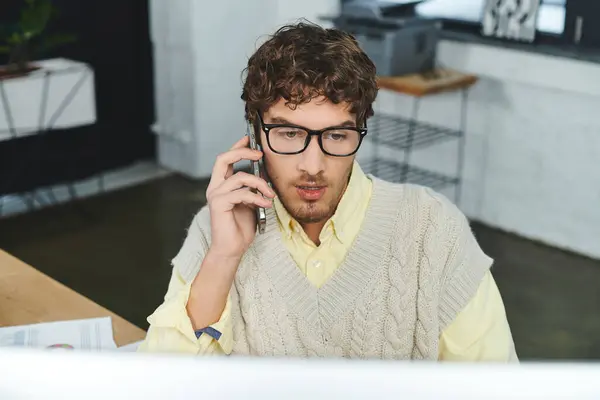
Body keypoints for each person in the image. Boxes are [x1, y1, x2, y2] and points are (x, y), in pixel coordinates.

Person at [138, 22, 518, 361]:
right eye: (290, 134)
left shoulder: (433, 230)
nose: (313, 166)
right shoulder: (218, 229)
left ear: (360, 129)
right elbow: (160, 382)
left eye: (337, 135)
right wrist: (222, 258)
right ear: (255, 132)